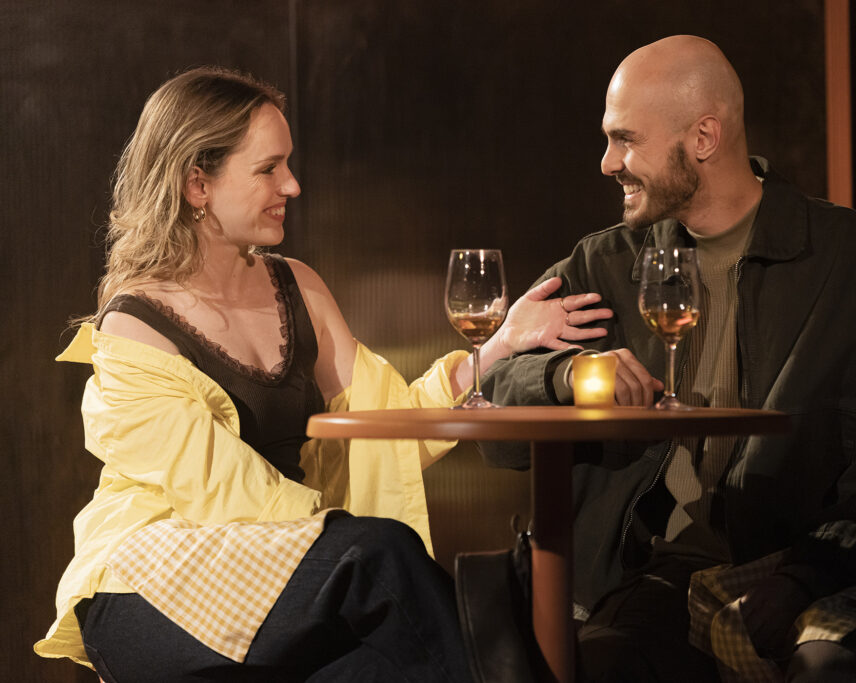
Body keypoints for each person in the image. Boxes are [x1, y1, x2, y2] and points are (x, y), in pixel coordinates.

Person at [33, 66, 612, 682]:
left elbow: (385, 430)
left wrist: (500, 345)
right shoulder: (135, 327)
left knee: (384, 663)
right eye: (268, 168)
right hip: (153, 582)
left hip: (286, 575)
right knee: (376, 555)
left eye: (287, 164)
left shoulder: (297, 287)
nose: (292, 184)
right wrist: (346, 541)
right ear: (198, 184)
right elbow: (224, 493)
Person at [480, 36, 856, 682]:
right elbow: (496, 419)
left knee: (831, 668)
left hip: (811, 565)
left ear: (703, 137)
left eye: (624, 139)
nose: (607, 163)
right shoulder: (603, 265)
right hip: (660, 575)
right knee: (606, 666)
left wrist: (805, 575)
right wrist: (568, 374)